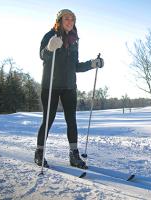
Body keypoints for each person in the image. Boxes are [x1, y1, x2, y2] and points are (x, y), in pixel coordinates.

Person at [34, 9, 104, 168]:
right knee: (48, 120)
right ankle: (39, 153)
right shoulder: (49, 36)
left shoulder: (74, 40)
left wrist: (92, 64)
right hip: (50, 85)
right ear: (59, 20)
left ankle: (74, 155)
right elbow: (42, 55)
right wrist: (50, 48)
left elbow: (75, 66)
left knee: (71, 121)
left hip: (69, 86)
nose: (70, 22)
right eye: (66, 18)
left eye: (72, 19)